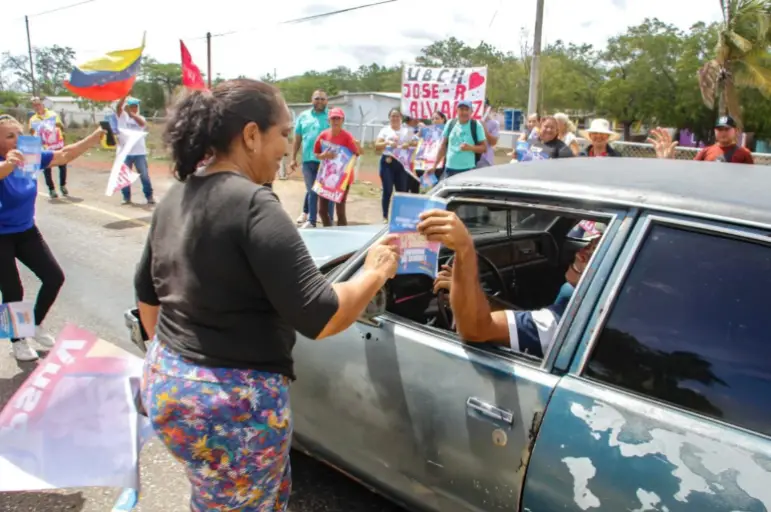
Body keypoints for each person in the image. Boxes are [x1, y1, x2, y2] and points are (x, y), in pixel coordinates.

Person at [135, 79, 399, 511]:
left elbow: (146, 294)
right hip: (231, 404)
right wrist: (374, 273)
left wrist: (181, 368)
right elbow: (321, 315)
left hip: (166, 380)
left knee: (230, 497)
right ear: (252, 135)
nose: (286, 148)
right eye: (284, 134)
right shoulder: (255, 204)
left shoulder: (175, 196)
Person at [421, 209, 604, 356]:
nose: (578, 253)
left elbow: (476, 329)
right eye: (587, 247)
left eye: (591, 255)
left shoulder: (556, 325)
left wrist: (464, 249)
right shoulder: (594, 307)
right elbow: (517, 318)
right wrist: (464, 290)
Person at [0, 114, 104, 361]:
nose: (16, 140)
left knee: (54, 277)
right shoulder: (8, 162)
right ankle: (18, 340)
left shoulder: (29, 156)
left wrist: (94, 137)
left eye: (19, 134)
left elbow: (64, 155)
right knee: (13, 289)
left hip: (25, 230)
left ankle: (34, 325)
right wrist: (8, 165)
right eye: (9, 136)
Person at [290, 89, 331, 228]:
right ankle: (312, 221)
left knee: (327, 191)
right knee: (312, 190)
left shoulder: (332, 116)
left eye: (322, 99)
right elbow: (297, 139)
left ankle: (329, 220)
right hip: (308, 159)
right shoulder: (303, 116)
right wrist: (293, 158)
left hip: (327, 161)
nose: (319, 101)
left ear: (327, 101)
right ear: (312, 99)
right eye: (317, 98)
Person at [314, 108, 360, 226]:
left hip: (342, 179)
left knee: (340, 211)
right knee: (322, 210)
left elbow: (357, 153)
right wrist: (323, 155)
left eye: (338, 118)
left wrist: (358, 146)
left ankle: (342, 235)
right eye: (333, 118)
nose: (335, 121)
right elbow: (316, 153)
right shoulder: (323, 135)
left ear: (342, 120)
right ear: (329, 120)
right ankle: (328, 230)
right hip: (325, 177)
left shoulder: (347, 137)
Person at [649, 116, 754, 163]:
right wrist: (668, 162)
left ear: (735, 131)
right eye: (719, 129)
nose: (723, 132)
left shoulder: (744, 153)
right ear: (715, 131)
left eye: (727, 129)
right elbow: (693, 173)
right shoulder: (706, 151)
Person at [429, 100, 486, 179]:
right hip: (449, 169)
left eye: (467, 109)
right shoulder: (450, 123)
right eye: (461, 109)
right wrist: (435, 165)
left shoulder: (476, 125)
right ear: (457, 111)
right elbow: (443, 146)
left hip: (468, 170)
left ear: (471, 111)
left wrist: (470, 148)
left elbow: (484, 148)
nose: (464, 112)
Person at [116, 95, 155, 205]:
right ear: (128, 107)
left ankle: (149, 196)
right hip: (125, 152)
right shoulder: (122, 116)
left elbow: (142, 124)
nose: (134, 108)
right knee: (125, 176)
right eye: (132, 106)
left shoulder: (140, 118)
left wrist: (132, 114)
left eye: (135, 107)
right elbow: (119, 107)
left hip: (139, 153)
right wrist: (123, 96)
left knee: (144, 175)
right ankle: (126, 197)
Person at [374, 108, 411, 222]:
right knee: (388, 189)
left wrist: (407, 144)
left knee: (402, 191)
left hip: (402, 164)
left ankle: (399, 216)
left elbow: (415, 142)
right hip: (388, 162)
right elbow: (377, 145)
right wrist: (387, 143)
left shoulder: (407, 130)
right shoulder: (385, 130)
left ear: (401, 118)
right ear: (389, 118)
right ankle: (385, 216)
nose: (395, 118)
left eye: (397, 116)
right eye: (393, 116)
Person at [28, 97, 68, 198]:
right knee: (47, 167)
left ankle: (63, 185)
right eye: (34, 105)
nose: (37, 107)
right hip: (44, 146)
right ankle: (51, 189)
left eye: (38, 104)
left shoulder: (52, 114)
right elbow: (32, 132)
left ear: (42, 105)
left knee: (62, 165)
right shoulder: (33, 119)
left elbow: (60, 127)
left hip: (57, 144)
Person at [477, 99, 501, 168]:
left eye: (483, 106)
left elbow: (493, 142)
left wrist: (484, 129)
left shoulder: (494, 123)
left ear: (488, 108)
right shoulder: (469, 122)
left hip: (485, 159)